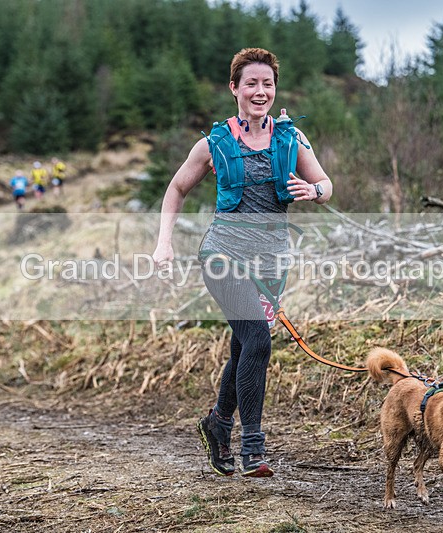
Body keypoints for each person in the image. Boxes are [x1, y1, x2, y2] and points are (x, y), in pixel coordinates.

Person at [151, 48, 332, 477]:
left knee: (244, 345)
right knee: (259, 341)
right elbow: (176, 189)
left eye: (267, 83)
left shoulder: (292, 138)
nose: (260, 91)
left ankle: (217, 423)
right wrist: (164, 243)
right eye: (251, 83)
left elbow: (325, 184)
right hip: (223, 255)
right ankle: (253, 446)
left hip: (271, 263)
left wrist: (314, 192)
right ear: (234, 88)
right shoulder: (213, 144)